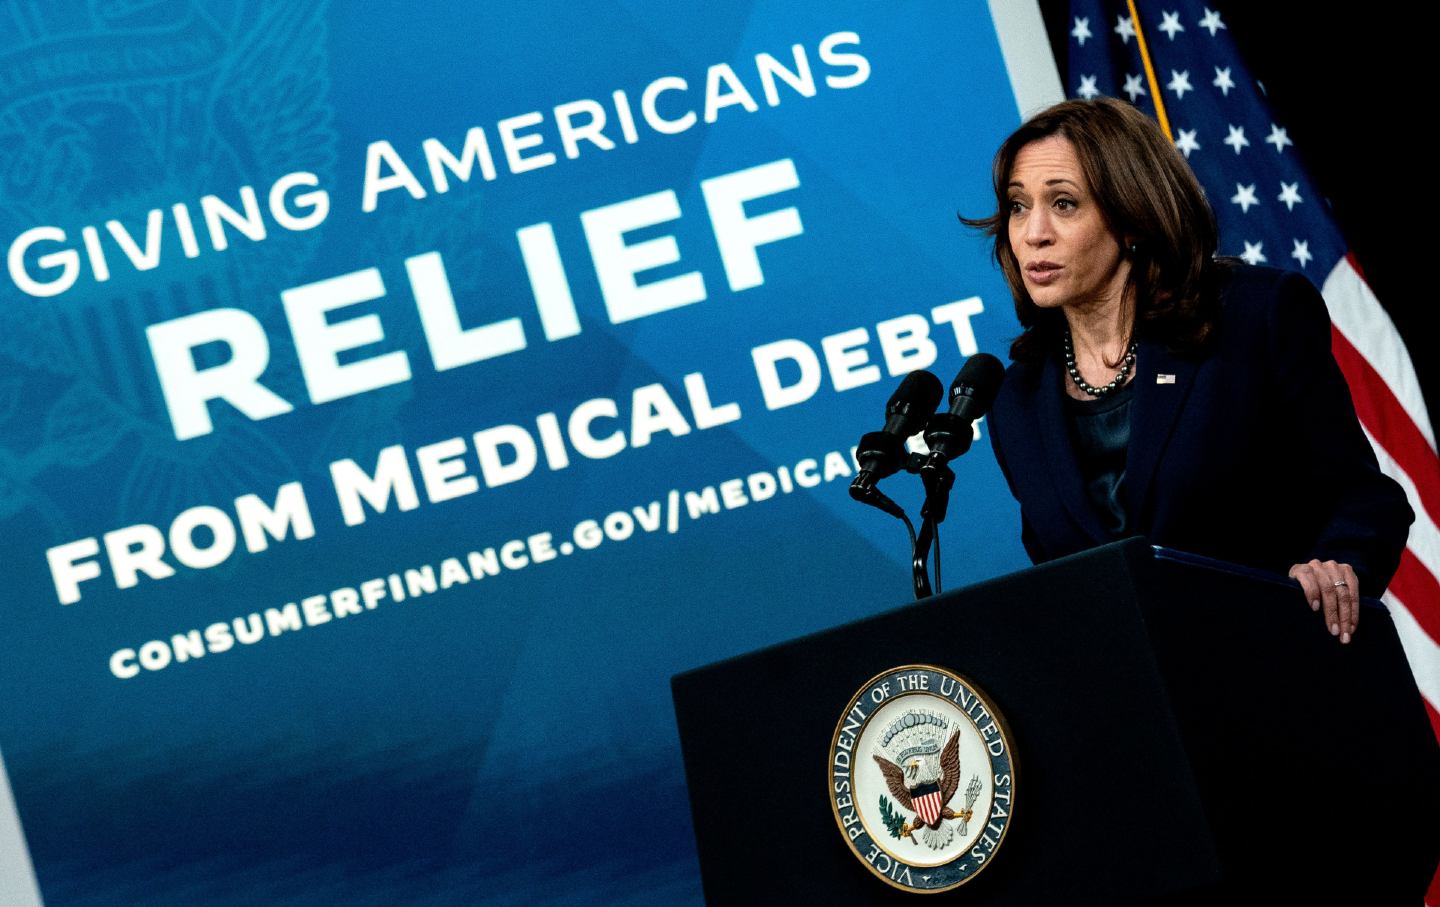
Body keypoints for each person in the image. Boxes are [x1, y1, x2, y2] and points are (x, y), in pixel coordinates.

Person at [965, 97, 1412, 644]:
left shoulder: (1253, 319)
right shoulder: (1018, 400)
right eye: (1017, 206)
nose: (1034, 233)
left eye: (1063, 204)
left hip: (1285, 663)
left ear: (1132, 217)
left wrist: (1337, 564)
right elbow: (1064, 578)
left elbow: (1367, 498)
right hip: (1147, 707)